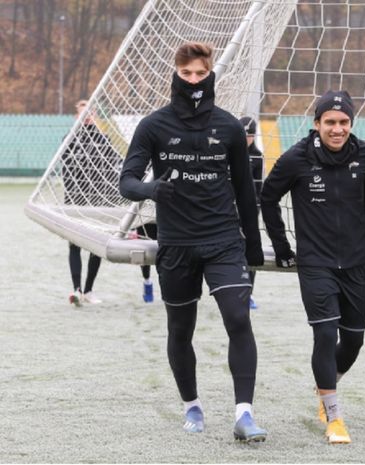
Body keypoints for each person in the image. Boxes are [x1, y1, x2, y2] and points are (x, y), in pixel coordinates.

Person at [119, 42, 267, 442]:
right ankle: (192, 406)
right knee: (181, 328)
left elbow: (245, 192)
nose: (194, 80)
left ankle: (244, 414)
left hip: (222, 240)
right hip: (177, 244)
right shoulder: (153, 126)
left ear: (210, 74)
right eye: (187, 74)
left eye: (200, 74)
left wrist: (252, 246)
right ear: (176, 74)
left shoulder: (230, 127)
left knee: (239, 319)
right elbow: (127, 182)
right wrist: (151, 190)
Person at [260, 90, 365, 444]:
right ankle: (334, 416)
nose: (337, 129)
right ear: (317, 124)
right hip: (316, 264)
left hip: (355, 263)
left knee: (353, 342)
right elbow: (267, 197)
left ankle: (326, 386)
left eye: (343, 122)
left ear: (351, 124)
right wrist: (282, 247)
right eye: (330, 122)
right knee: (325, 334)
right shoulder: (297, 158)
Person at [62, 99, 120, 307]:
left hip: (97, 202)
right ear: (76, 117)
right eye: (82, 112)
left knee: (96, 246)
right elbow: (65, 166)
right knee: (75, 245)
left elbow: (112, 166)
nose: (87, 115)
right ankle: (76, 290)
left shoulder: (104, 140)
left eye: (90, 112)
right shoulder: (69, 139)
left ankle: (88, 290)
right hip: (74, 202)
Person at [239, 116, 263, 309]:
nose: (246, 138)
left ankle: (249, 293)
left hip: (249, 211)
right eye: (243, 134)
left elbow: (259, 187)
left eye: (249, 135)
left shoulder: (257, 156)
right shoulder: (229, 152)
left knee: (251, 251)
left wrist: (256, 210)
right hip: (228, 211)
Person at [136, 223, 158, 303]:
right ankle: (147, 281)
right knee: (143, 253)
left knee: (165, 254)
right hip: (143, 220)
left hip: (162, 218)